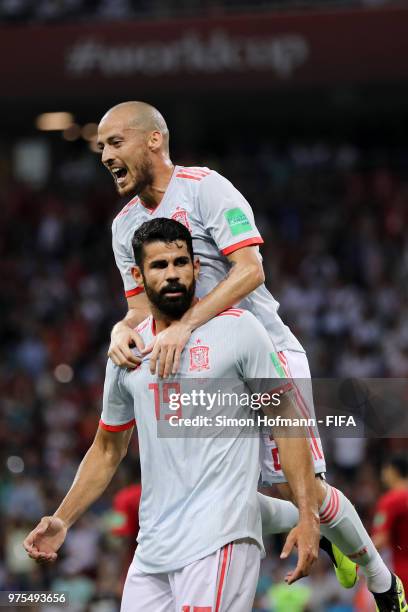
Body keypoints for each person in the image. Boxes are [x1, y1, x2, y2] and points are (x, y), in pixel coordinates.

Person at [97, 101, 404, 610]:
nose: (105, 154)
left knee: (297, 491)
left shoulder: (204, 188)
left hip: (265, 354)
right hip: (205, 372)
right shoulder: (123, 226)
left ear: (153, 139)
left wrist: (188, 324)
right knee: (220, 498)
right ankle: (332, 537)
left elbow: (250, 270)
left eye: (114, 142)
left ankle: (380, 580)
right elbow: (137, 311)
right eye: (101, 147)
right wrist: (118, 332)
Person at [24, 218, 320, 611]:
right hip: (153, 552)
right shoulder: (128, 353)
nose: (173, 274)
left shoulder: (240, 330)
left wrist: (308, 514)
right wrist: (63, 519)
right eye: (159, 266)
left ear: (197, 267)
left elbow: (287, 420)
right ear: (138, 275)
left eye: (181, 262)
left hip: (221, 539)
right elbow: (108, 448)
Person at [372, 454, 408, 593]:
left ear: (393, 471)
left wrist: (354, 557)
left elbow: (380, 540)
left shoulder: (391, 500)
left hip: (404, 571)